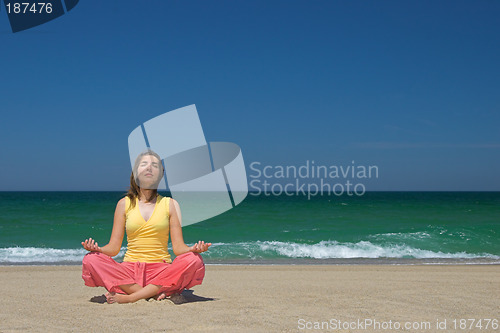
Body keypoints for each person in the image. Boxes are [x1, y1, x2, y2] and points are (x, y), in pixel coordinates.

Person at [81, 150, 211, 304]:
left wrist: (192, 249)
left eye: (154, 165)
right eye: (144, 164)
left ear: (161, 174)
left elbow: (178, 248)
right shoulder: (124, 204)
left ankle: (132, 296)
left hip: (160, 271)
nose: (149, 168)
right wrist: (98, 250)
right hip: (129, 272)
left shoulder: (170, 204)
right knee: (91, 260)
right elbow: (114, 248)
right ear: (136, 172)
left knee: (194, 260)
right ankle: (154, 293)